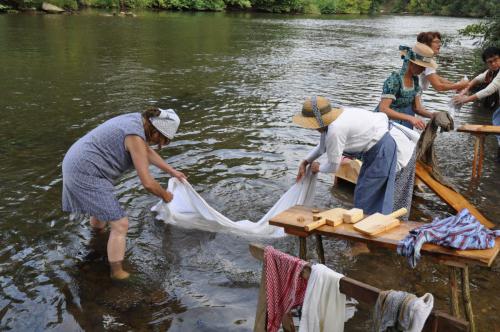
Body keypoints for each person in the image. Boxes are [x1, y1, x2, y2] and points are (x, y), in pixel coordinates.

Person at [62, 107, 187, 280]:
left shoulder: (137, 121)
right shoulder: (135, 136)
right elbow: (148, 183)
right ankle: (117, 272)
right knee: (121, 224)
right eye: (162, 140)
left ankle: (97, 239)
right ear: (157, 132)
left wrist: (171, 171)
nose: (158, 144)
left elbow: (146, 150)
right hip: (85, 172)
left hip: (76, 162)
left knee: (102, 213)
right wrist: (166, 196)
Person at [295, 96, 417, 217]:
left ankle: (371, 227)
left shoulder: (335, 129)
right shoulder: (333, 121)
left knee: (370, 195)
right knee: (363, 192)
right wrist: (306, 161)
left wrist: (318, 168)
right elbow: (323, 146)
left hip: (384, 149)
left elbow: (333, 166)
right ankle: (367, 222)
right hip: (376, 148)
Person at [375, 42, 436, 130]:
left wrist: (433, 115)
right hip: (383, 123)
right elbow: (383, 109)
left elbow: (417, 108)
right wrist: (410, 118)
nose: (424, 69)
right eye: (422, 66)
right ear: (411, 63)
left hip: (400, 123)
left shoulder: (415, 81)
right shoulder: (394, 80)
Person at [453, 46, 500, 161]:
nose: (494, 63)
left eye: (496, 60)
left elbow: (489, 89)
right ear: (486, 64)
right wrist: (464, 90)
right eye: (490, 62)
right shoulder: (491, 72)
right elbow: (478, 79)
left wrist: (466, 99)